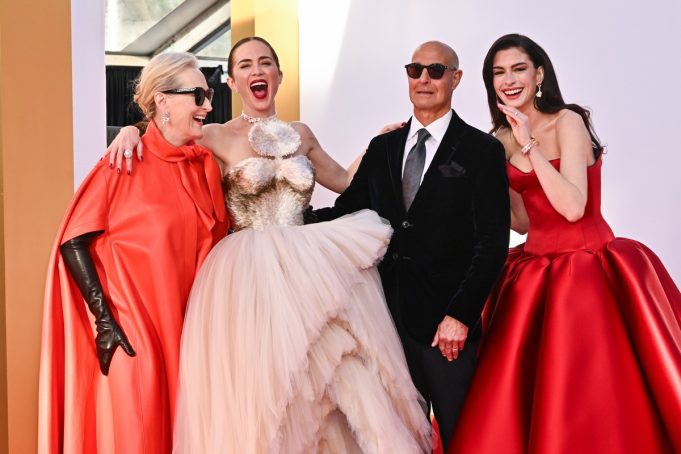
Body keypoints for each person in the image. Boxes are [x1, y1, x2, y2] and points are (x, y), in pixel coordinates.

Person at [109, 36, 432, 453]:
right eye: (245, 65)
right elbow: (165, 139)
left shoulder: (302, 134)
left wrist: (374, 146)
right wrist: (128, 133)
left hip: (308, 265)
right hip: (249, 272)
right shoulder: (214, 135)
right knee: (269, 384)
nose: (256, 70)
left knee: (333, 375)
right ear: (231, 82)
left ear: (278, 75)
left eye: (265, 63)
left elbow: (344, 182)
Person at [447, 33, 681, 453]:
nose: (508, 80)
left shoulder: (567, 121)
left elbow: (573, 207)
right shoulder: (499, 139)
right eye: (498, 73)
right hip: (534, 269)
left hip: (588, 268)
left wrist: (529, 145)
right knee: (521, 395)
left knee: (592, 387)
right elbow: (522, 221)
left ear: (539, 74)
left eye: (519, 69)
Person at [312, 40, 511, 451]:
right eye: (414, 70)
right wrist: (281, 223)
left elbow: (492, 243)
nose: (424, 79)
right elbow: (347, 212)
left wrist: (460, 315)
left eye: (436, 71)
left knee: (464, 438)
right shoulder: (383, 148)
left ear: (455, 79)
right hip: (387, 323)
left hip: (447, 330)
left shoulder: (482, 150)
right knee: (400, 442)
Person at [39, 53, 228, 453]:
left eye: (209, 95)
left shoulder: (205, 167)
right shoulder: (124, 161)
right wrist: (105, 322)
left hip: (189, 336)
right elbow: (73, 240)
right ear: (163, 101)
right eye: (198, 96)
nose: (208, 106)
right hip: (136, 337)